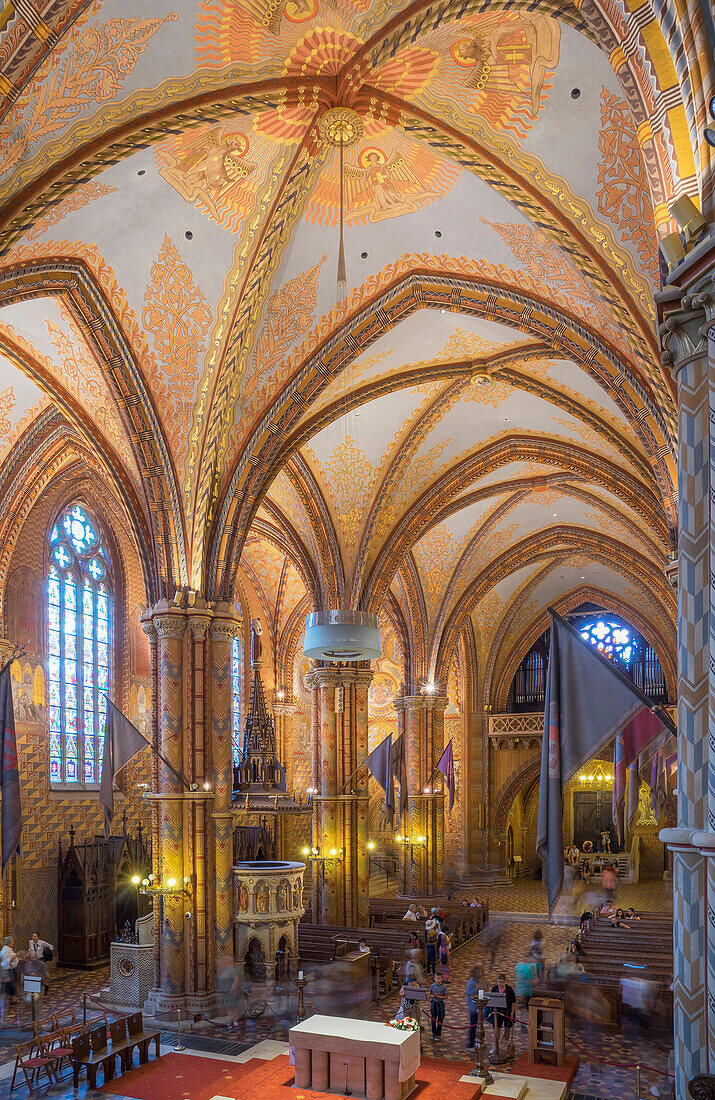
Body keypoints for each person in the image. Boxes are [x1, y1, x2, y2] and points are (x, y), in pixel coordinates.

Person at [487, 973, 516, 1048]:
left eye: (501, 982)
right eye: (498, 982)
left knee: (507, 1028)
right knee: (497, 1029)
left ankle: (505, 1045)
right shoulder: (494, 989)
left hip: (507, 1011)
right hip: (497, 1011)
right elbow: (492, 999)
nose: (500, 984)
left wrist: (512, 1013)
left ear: (505, 981)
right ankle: (496, 1046)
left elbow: (513, 1002)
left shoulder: (509, 990)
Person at [514, 953, 538, 1032]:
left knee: (522, 1010)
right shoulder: (528, 968)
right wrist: (538, 981)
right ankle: (528, 1026)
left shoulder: (518, 965)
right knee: (528, 1010)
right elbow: (530, 982)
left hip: (518, 991)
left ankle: (522, 1025)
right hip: (527, 992)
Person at [0, 936, 19, 1016]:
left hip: (11, 969)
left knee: (12, 983)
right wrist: (15, 956)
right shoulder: (5, 951)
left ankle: (12, 998)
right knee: (11, 984)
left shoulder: (8, 949)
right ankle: (11, 999)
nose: (13, 943)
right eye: (12, 941)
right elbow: (7, 961)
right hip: (8, 970)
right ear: (9, 943)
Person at [466, 965, 482, 1050]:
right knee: (473, 1025)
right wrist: (476, 989)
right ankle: (471, 1044)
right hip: (473, 1007)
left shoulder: (478, 980)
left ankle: (475, 1041)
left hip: (477, 1006)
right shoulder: (472, 981)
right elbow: (468, 993)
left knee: (476, 1025)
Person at [429, 974, 447, 1040]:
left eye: (439, 978)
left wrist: (438, 996)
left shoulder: (444, 987)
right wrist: (433, 996)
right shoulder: (432, 985)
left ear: (442, 979)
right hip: (434, 1003)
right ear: (434, 979)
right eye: (436, 978)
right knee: (433, 1019)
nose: (437, 980)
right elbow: (429, 994)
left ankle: (438, 1034)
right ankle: (434, 1034)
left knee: (440, 1019)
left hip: (440, 1004)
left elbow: (446, 996)